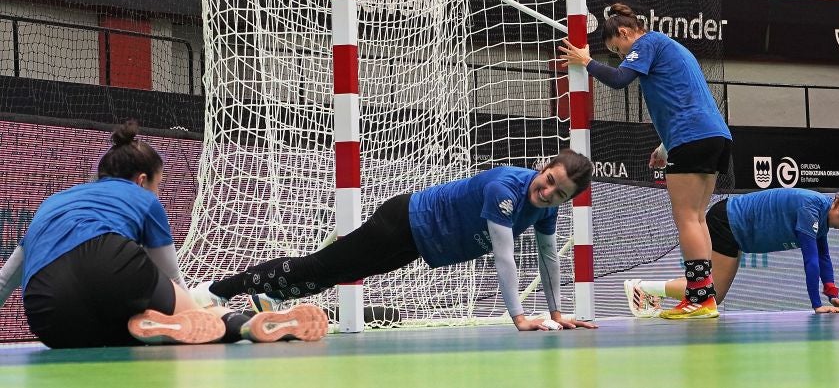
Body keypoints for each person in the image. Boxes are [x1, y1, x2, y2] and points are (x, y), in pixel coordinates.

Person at [0, 120, 328, 348]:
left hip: (50, 316)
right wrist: (193, 309)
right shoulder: (141, 198)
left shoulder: (51, 203)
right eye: (158, 184)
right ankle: (245, 324)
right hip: (108, 263)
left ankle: (155, 329)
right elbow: (171, 276)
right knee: (196, 316)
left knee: (118, 330)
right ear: (143, 180)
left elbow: (5, 281)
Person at [192, 149, 599, 331]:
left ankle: (265, 302)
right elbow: (505, 257)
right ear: (542, 167)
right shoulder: (505, 189)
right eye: (548, 182)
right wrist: (519, 318)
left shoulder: (546, 210)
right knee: (321, 266)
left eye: (558, 194)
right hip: (402, 223)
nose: (547, 194)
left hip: (416, 244)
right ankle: (212, 294)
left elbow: (549, 258)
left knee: (332, 274)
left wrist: (558, 311)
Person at [558, 3, 732, 319]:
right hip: (715, 136)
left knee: (688, 219)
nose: (622, 56)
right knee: (698, 217)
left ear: (625, 33)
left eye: (618, 48)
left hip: (691, 137)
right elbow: (685, 98)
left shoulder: (648, 43)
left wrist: (587, 62)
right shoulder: (673, 48)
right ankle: (704, 297)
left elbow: (619, 79)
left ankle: (700, 298)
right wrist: (665, 147)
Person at [624, 185, 839, 317]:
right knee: (709, 293)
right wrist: (817, 304)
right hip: (728, 221)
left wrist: (832, 295)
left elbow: (823, 256)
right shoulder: (811, 208)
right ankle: (642, 288)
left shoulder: (823, 217)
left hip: (735, 229)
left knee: (713, 297)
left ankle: (649, 291)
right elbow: (811, 259)